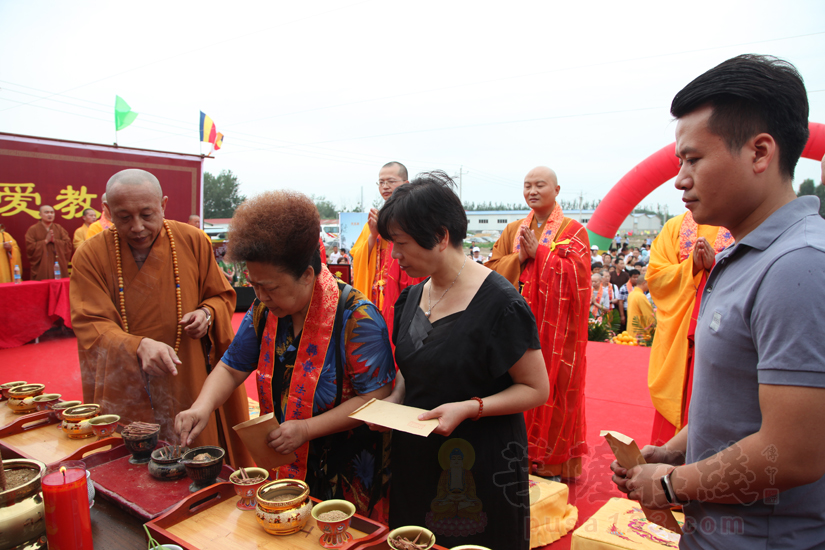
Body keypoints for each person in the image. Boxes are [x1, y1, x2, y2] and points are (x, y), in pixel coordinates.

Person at [611, 55, 825, 549]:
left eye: (693, 159)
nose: (680, 179)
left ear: (760, 152)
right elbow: (737, 401)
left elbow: (792, 451)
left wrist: (669, 485)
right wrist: (674, 452)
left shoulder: (798, 264)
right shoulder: (742, 253)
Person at [175, 190, 395, 520]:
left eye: (271, 287)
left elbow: (377, 397)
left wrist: (307, 429)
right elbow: (234, 365)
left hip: (344, 470)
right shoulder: (264, 311)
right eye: (254, 285)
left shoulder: (357, 318)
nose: (261, 296)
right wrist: (201, 407)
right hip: (285, 459)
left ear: (308, 274)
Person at [376, 171, 549, 550]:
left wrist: (471, 407)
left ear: (440, 236)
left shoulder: (501, 305)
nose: (395, 255)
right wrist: (392, 401)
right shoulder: (410, 298)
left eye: (401, 243)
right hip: (417, 454)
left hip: (482, 458)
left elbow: (537, 388)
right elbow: (412, 366)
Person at [70, 169, 250, 466]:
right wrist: (137, 346)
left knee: (197, 455)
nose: (137, 227)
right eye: (124, 217)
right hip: (128, 380)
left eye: (147, 214)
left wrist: (206, 313)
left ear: (163, 205)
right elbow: (90, 322)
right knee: (135, 464)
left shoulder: (192, 240)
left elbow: (222, 296)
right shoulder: (90, 255)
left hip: (189, 371)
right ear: (107, 211)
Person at [485, 166, 590, 479]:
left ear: (557, 190)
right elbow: (491, 270)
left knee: (557, 391)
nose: (532, 191)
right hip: (517, 326)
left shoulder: (574, 231)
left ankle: (553, 463)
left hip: (560, 334)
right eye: (527, 185)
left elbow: (580, 279)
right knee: (516, 385)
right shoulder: (514, 228)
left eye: (540, 185)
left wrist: (541, 254)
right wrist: (519, 258)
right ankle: (518, 454)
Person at [646, 212, 733, 446]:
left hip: (723, 330)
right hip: (679, 332)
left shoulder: (739, 222)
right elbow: (655, 277)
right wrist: (692, 267)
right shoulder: (675, 227)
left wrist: (714, 266)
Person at [351, 162, 424, 341]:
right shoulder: (376, 217)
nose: (385, 186)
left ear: (406, 183)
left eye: (391, 181)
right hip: (377, 295)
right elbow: (358, 256)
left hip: (403, 285)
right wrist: (373, 235)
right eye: (381, 182)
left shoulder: (415, 216)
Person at [25, 205, 72, 280]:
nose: (50, 215)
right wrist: (45, 241)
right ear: (40, 214)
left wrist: (55, 241)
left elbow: (68, 244)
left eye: (52, 212)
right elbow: (30, 248)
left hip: (57, 263)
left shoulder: (59, 228)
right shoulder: (33, 230)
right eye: (46, 212)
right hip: (41, 266)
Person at [626, 273, 654, 343]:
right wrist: (653, 327)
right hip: (639, 331)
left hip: (630, 330)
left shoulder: (631, 294)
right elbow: (648, 316)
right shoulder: (641, 296)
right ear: (644, 283)